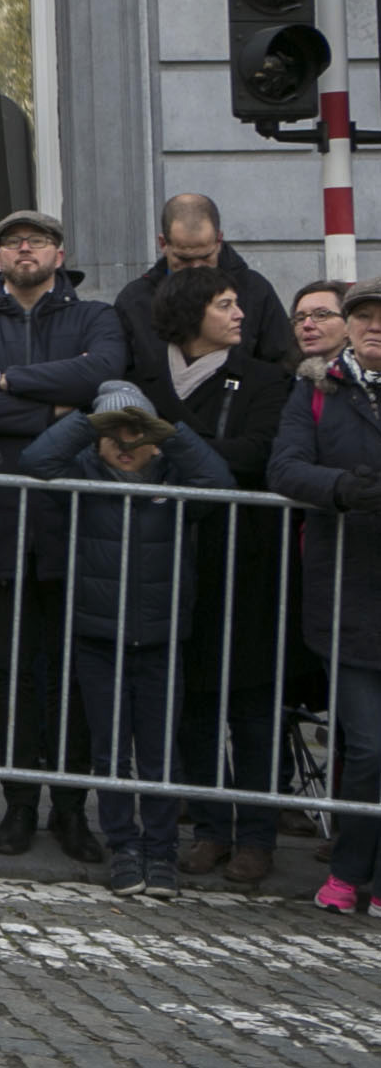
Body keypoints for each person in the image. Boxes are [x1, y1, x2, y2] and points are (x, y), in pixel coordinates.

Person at [0, 208, 124, 864]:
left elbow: (103, 376)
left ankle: (72, 808)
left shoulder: (95, 317)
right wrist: (58, 411)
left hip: (77, 524)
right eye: (12, 241)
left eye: (36, 240)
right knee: (8, 672)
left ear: (58, 251)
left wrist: (11, 383)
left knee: (72, 674)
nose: (24, 248)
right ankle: (18, 803)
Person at [21, 383, 234, 898]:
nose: (125, 441)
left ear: (156, 439)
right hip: (99, 637)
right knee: (110, 753)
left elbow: (219, 479)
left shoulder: (176, 478)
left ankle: (160, 851)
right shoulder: (82, 478)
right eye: (113, 432)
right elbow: (35, 460)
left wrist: (172, 434)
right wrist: (89, 420)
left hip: (162, 638)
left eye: (137, 431)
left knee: (161, 755)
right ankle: (124, 847)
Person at [119, 267, 292, 885]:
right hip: (169, 558)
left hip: (246, 561)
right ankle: (211, 829)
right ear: (193, 315)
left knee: (249, 706)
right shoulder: (141, 384)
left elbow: (260, 452)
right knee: (190, 701)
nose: (240, 314)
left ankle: (257, 836)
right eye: (225, 305)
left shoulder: (267, 379)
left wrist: (173, 446)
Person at [268, 276, 381, 917]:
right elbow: (285, 467)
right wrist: (345, 487)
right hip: (347, 593)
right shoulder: (316, 389)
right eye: (362, 316)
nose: (373, 327)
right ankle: (347, 872)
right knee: (367, 746)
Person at [113, 194, 295, 373]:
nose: (196, 268)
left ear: (219, 240)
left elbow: (281, 365)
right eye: (184, 259)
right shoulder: (134, 300)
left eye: (205, 257)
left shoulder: (255, 290)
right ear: (163, 244)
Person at [292, 280, 352, 379]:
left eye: (321, 315)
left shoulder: (368, 380)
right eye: (300, 318)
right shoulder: (286, 382)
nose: (307, 325)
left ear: (349, 324)